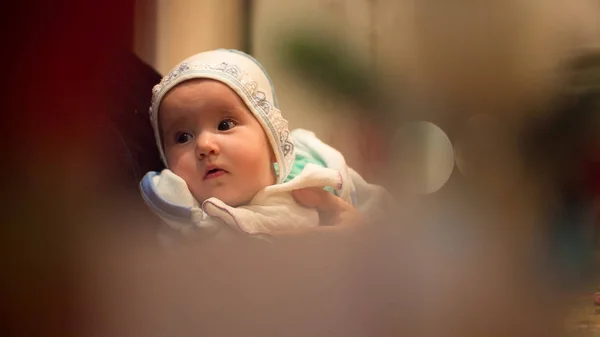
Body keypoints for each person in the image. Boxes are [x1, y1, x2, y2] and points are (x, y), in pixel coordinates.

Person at [139, 49, 388, 241]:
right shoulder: (181, 217)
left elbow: (395, 232)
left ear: (272, 138)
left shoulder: (318, 175)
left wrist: (364, 238)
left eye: (225, 125)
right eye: (183, 137)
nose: (204, 145)